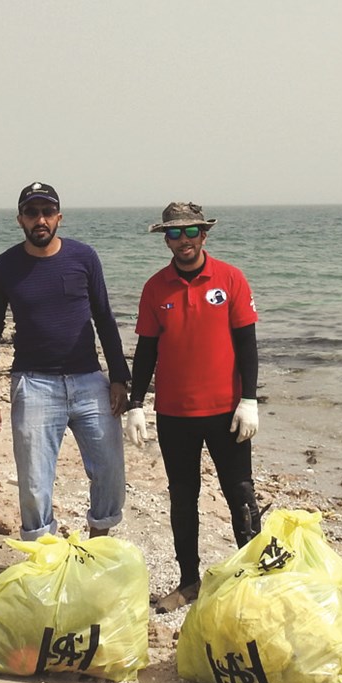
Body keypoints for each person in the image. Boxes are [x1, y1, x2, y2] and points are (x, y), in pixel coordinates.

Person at [126, 201, 261, 611]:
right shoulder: (156, 287)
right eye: (174, 234)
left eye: (190, 233)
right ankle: (189, 582)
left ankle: (252, 580)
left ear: (204, 234)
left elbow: (247, 344)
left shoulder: (230, 278)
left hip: (226, 412)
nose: (183, 241)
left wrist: (250, 399)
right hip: (174, 414)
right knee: (183, 498)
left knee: (240, 493)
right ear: (164, 239)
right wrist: (136, 404)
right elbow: (146, 350)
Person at [0, 182, 131, 539]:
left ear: (59, 217)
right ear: (20, 220)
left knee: (109, 469)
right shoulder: (4, 267)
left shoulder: (84, 257)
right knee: (34, 482)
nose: (40, 220)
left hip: (89, 381)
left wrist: (120, 377)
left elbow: (105, 319)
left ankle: (98, 543)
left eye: (47, 212)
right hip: (33, 385)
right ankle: (42, 554)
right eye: (32, 213)